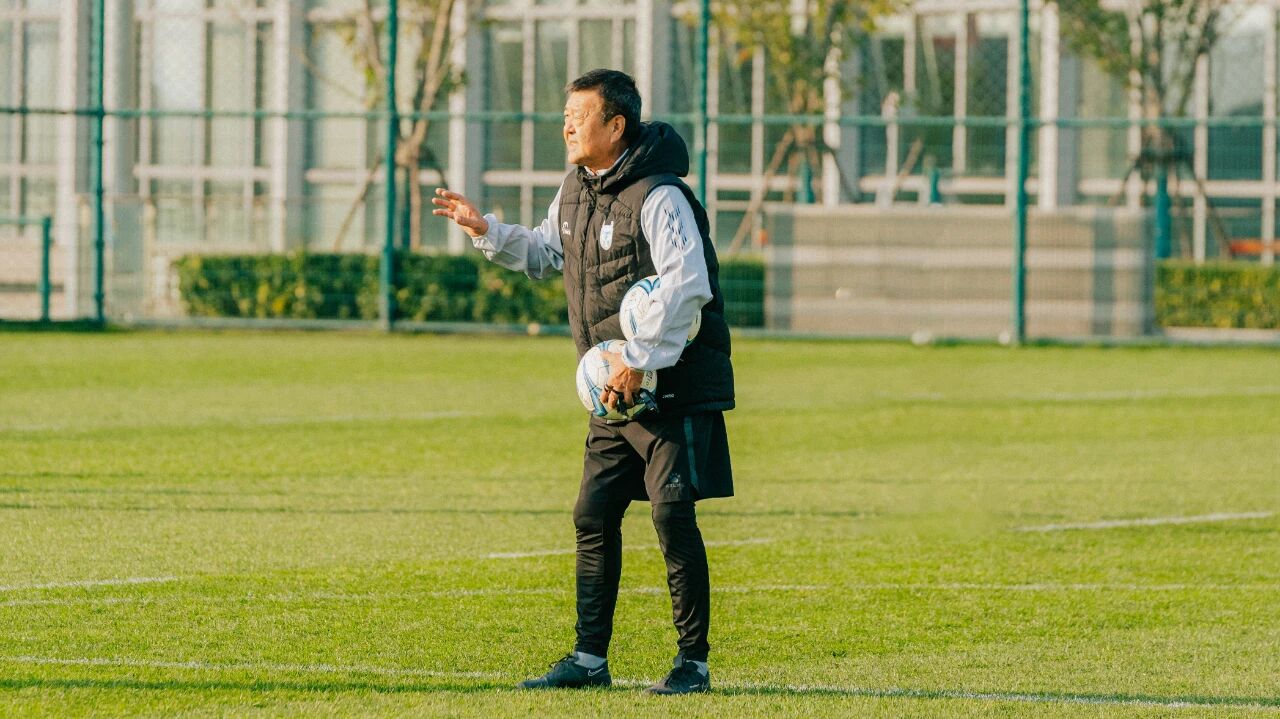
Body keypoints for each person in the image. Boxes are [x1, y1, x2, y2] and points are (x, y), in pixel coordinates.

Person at [432, 68, 734, 695]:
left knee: (672, 518)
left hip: (669, 386)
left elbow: (689, 285)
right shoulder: (575, 189)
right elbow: (550, 252)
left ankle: (693, 665)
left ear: (616, 125)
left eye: (578, 115)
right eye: (565, 115)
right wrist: (488, 232)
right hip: (613, 392)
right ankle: (589, 660)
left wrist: (640, 359)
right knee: (592, 515)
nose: (566, 126)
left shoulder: (661, 195)